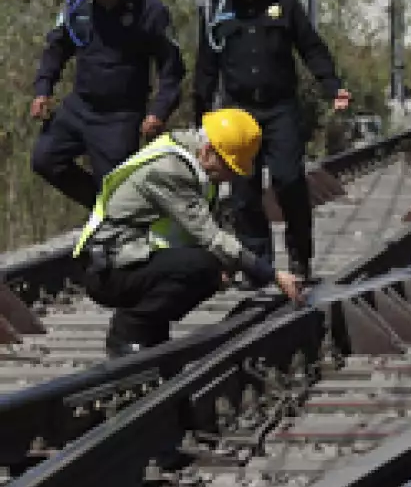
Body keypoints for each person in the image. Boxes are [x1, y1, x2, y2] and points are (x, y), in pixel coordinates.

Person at [72, 108, 305, 359]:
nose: (230, 176)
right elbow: (211, 237)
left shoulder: (195, 166)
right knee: (204, 265)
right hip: (107, 270)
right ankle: (128, 332)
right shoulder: (170, 170)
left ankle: (152, 331)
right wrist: (272, 274)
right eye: (228, 166)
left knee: (212, 267)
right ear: (207, 151)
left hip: (131, 257)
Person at [192, 0, 352, 283]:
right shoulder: (216, 11)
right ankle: (258, 265)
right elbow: (206, 67)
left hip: (280, 108)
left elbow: (311, 47)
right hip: (238, 113)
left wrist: (332, 86)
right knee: (244, 191)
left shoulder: (283, 1)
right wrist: (200, 116)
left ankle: (299, 257)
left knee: (289, 180)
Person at [31, 0, 186, 208]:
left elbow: (171, 68)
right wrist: (43, 89)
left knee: (116, 184)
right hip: (80, 106)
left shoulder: (149, 10)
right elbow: (57, 48)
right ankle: (101, 208)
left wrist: (158, 112)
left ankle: (118, 220)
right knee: (45, 158)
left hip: (119, 116)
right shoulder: (80, 6)